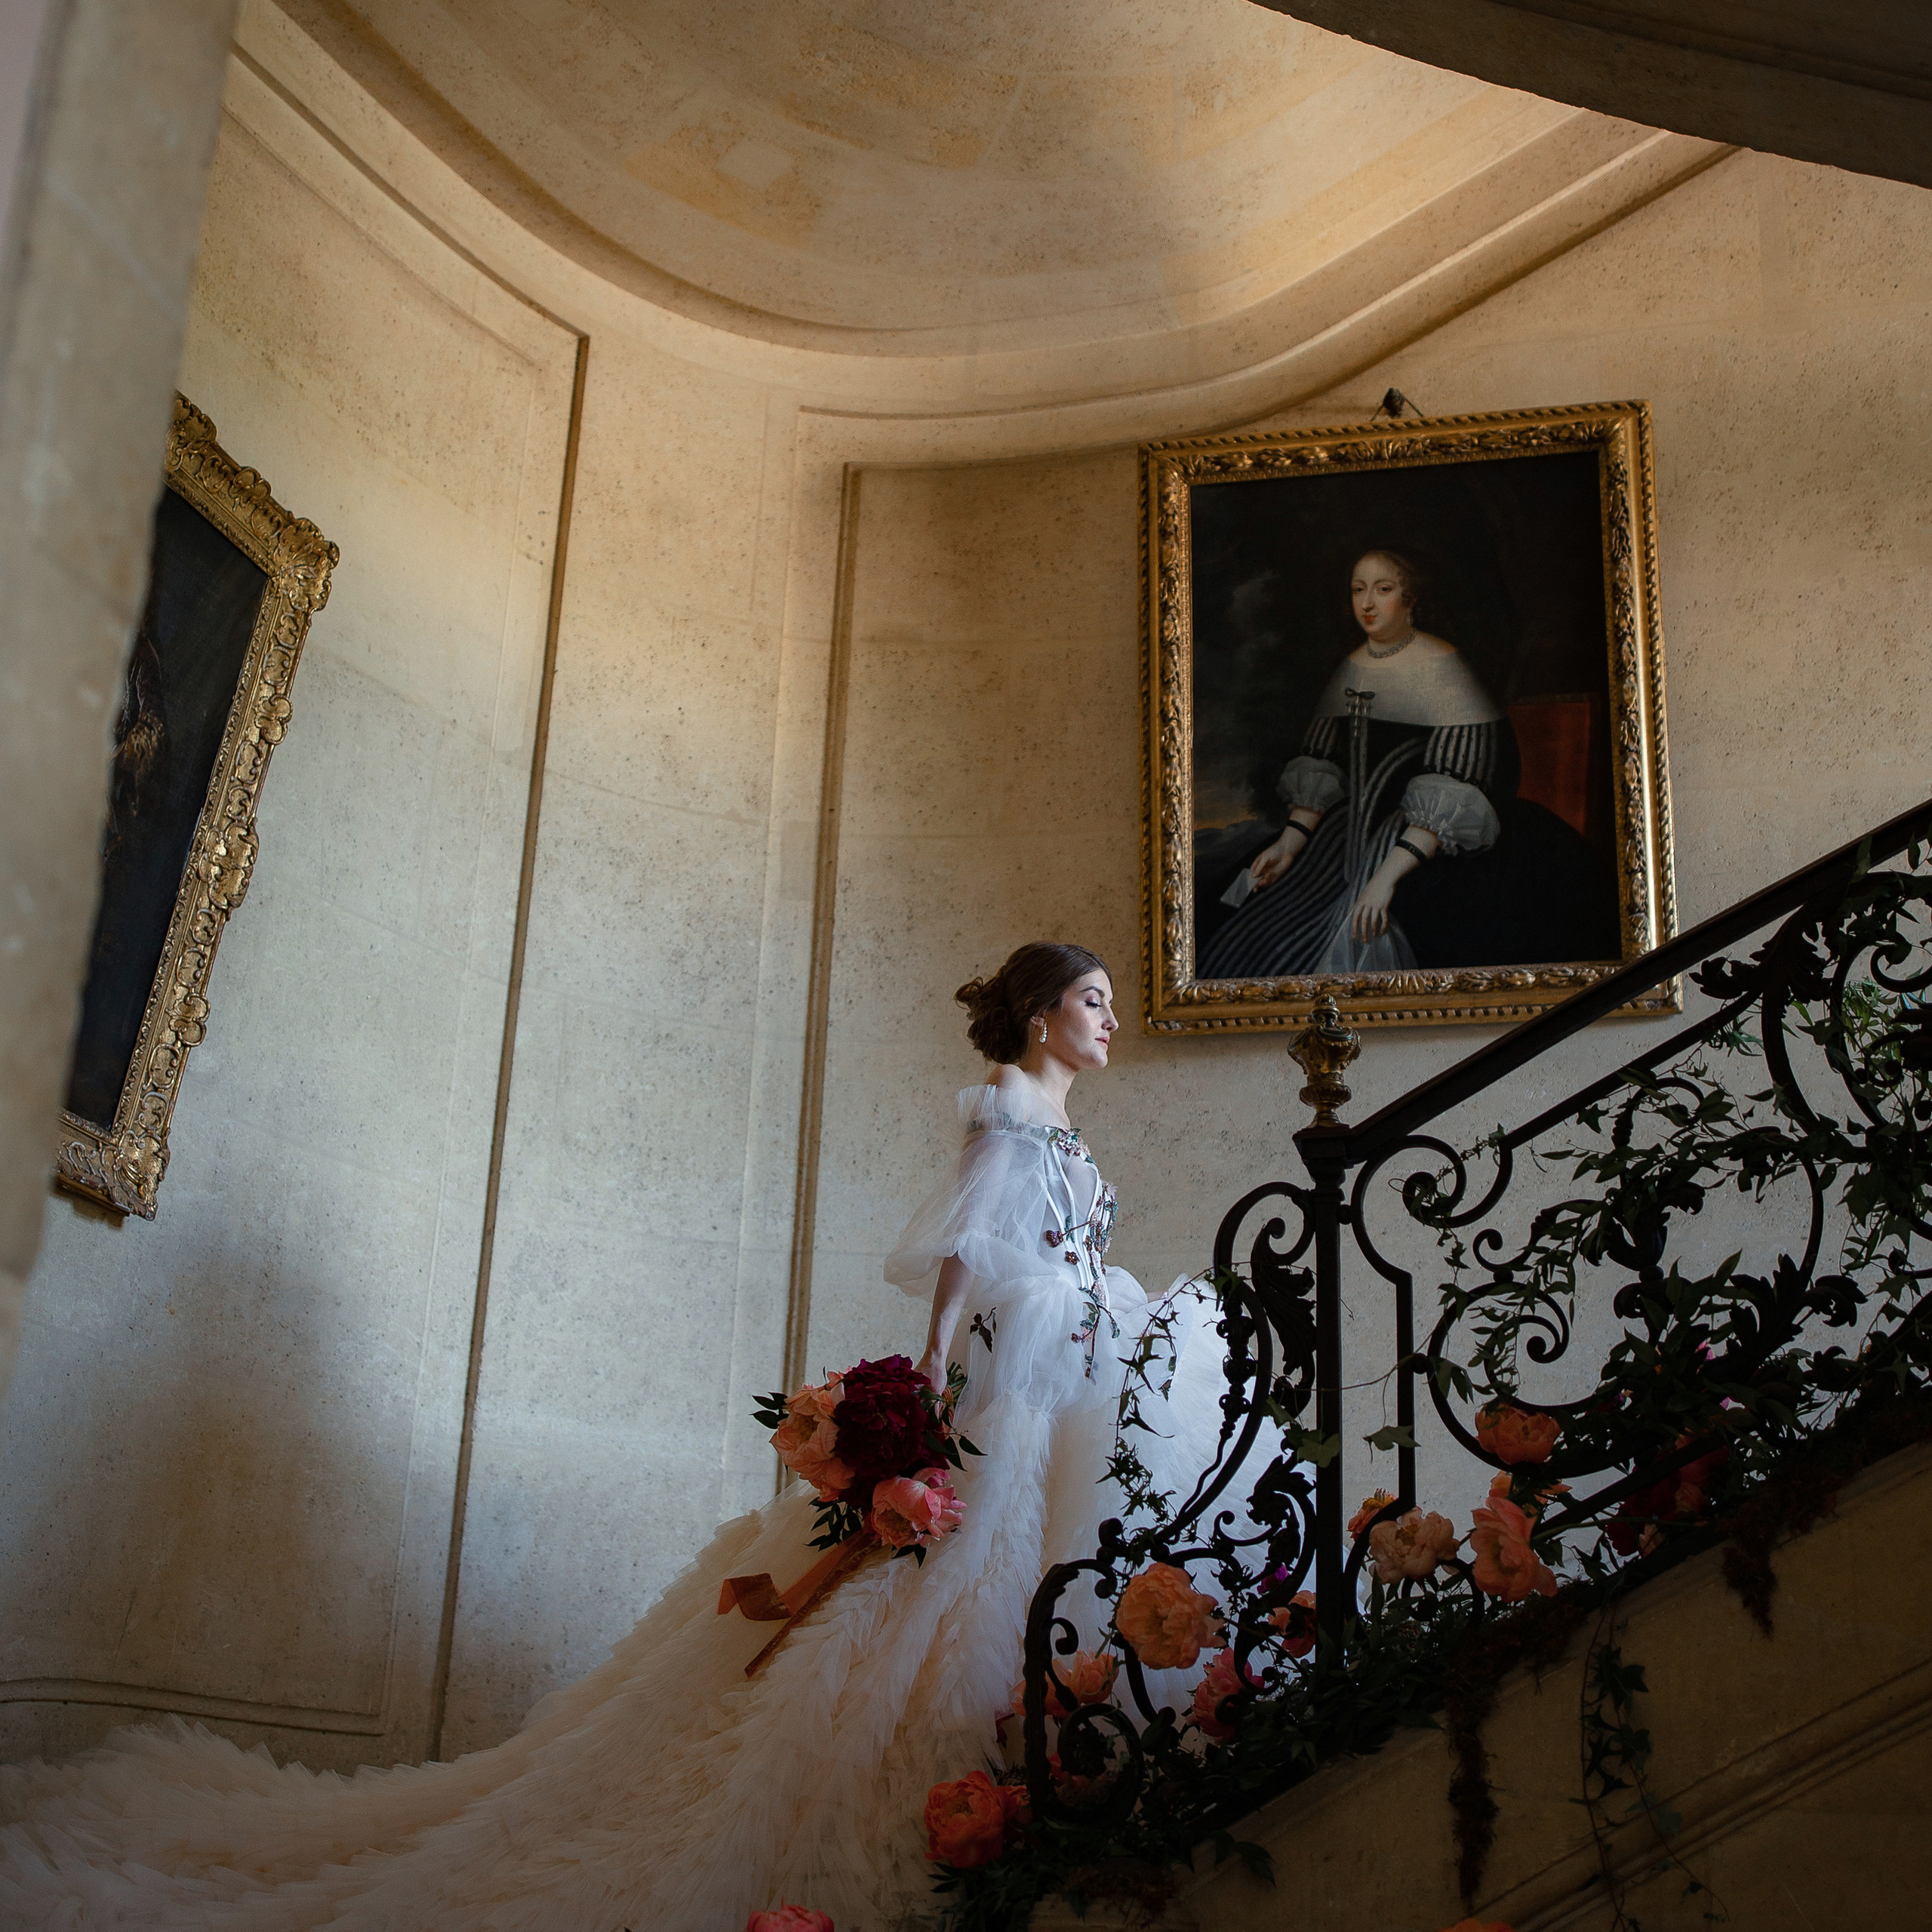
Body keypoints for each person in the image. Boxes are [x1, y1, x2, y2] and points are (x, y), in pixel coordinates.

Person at [0, 943, 1222, 1932]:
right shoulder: (1004, 1106)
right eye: (1094, 1002)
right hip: (1016, 1362)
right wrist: (939, 1370)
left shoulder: (1065, 1119)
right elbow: (964, 1253)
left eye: (1113, 1003)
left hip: (1079, 1355)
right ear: (1043, 1012)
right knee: (938, 1578)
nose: (1109, 1022)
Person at [1198, 548, 1617, 979]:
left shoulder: (1442, 667)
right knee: (1256, 909)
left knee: (1391, 920)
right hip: (1348, 836)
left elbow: (1452, 787)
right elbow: (1322, 766)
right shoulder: (1351, 667)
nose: (1367, 603)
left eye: (1384, 589)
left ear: (1410, 599)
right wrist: (1289, 844)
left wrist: (1384, 880)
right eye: (1358, 590)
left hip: (1433, 843)